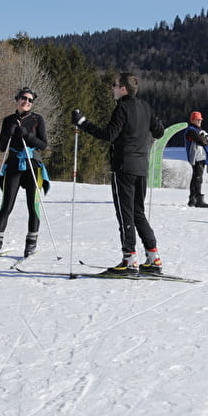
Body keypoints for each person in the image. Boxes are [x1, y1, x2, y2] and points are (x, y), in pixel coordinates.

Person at [72, 72, 165, 274]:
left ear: (123, 88)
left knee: (125, 214)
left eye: (115, 85)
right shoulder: (145, 107)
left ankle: (130, 259)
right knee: (138, 212)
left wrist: (82, 123)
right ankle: (153, 257)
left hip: (124, 167)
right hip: (141, 168)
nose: (112, 88)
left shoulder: (122, 108)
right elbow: (159, 132)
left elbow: (108, 134)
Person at [0, 87, 49, 258]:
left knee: (32, 206)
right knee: (6, 205)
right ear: (17, 99)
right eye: (23, 98)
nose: (26, 102)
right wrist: (9, 132)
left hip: (32, 166)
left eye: (30, 100)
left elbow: (43, 145)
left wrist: (27, 135)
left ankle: (31, 244)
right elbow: (1, 147)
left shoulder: (37, 119)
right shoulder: (8, 120)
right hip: (13, 165)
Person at [183, 111, 208, 207]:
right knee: (198, 177)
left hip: (201, 157)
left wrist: (205, 139)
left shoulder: (200, 130)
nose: (200, 121)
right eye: (198, 119)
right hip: (196, 157)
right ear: (193, 120)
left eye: (200, 119)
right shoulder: (190, 130)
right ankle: (198, 198)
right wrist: (204, 138)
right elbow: (201, 141)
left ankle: (193, 199)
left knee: (196, 177)